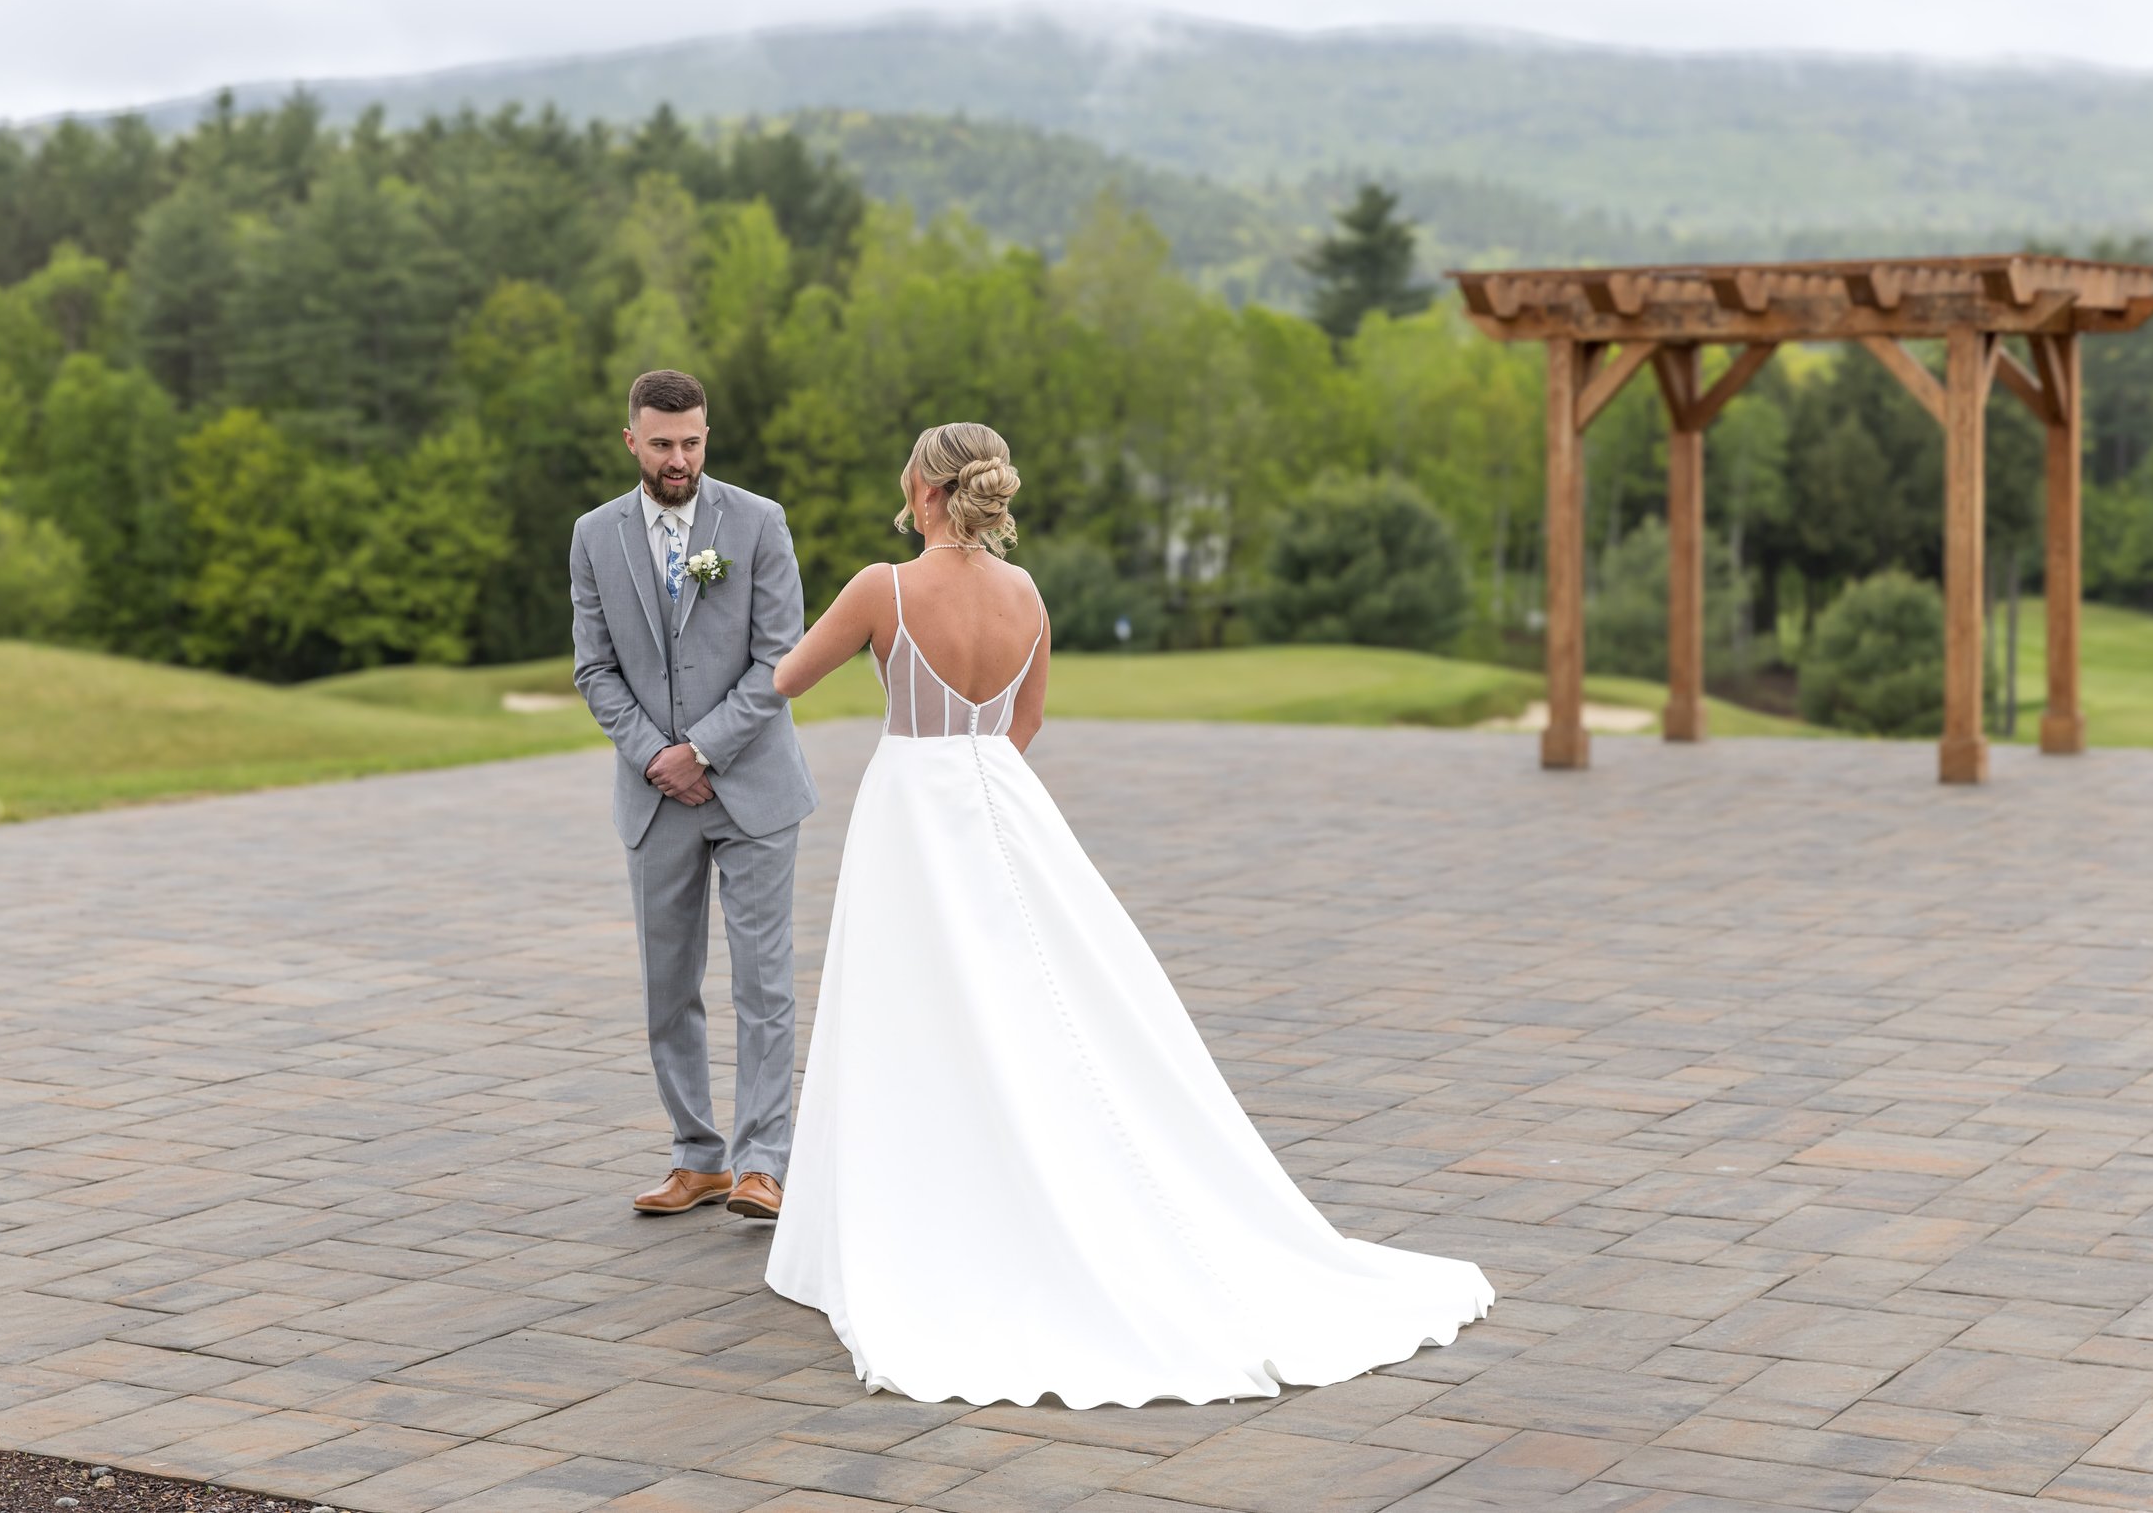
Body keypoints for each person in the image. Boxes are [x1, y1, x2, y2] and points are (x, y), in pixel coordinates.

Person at [764, 421, 1493, 1407]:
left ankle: (920, 1206)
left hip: (909, 809)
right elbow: (1026, 723)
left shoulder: (879, 587)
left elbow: (786, 678)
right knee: (1038, 995)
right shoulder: (1025, 595)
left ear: (925, 492)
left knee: (906, 1006)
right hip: (1001, 799)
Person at [570, 369, 817, 1223]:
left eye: (693, 441)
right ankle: (697, 1155)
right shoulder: (594, 535)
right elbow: (594, 668)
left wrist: (703, 748)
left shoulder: (757, 522)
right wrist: (658, 759)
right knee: (667, 985)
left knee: (764, 986)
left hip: (753, 788)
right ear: (631, 440)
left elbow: (779, 660)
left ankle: (762, 1164)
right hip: (655, 798)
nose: (680, 458)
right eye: (664, 442)